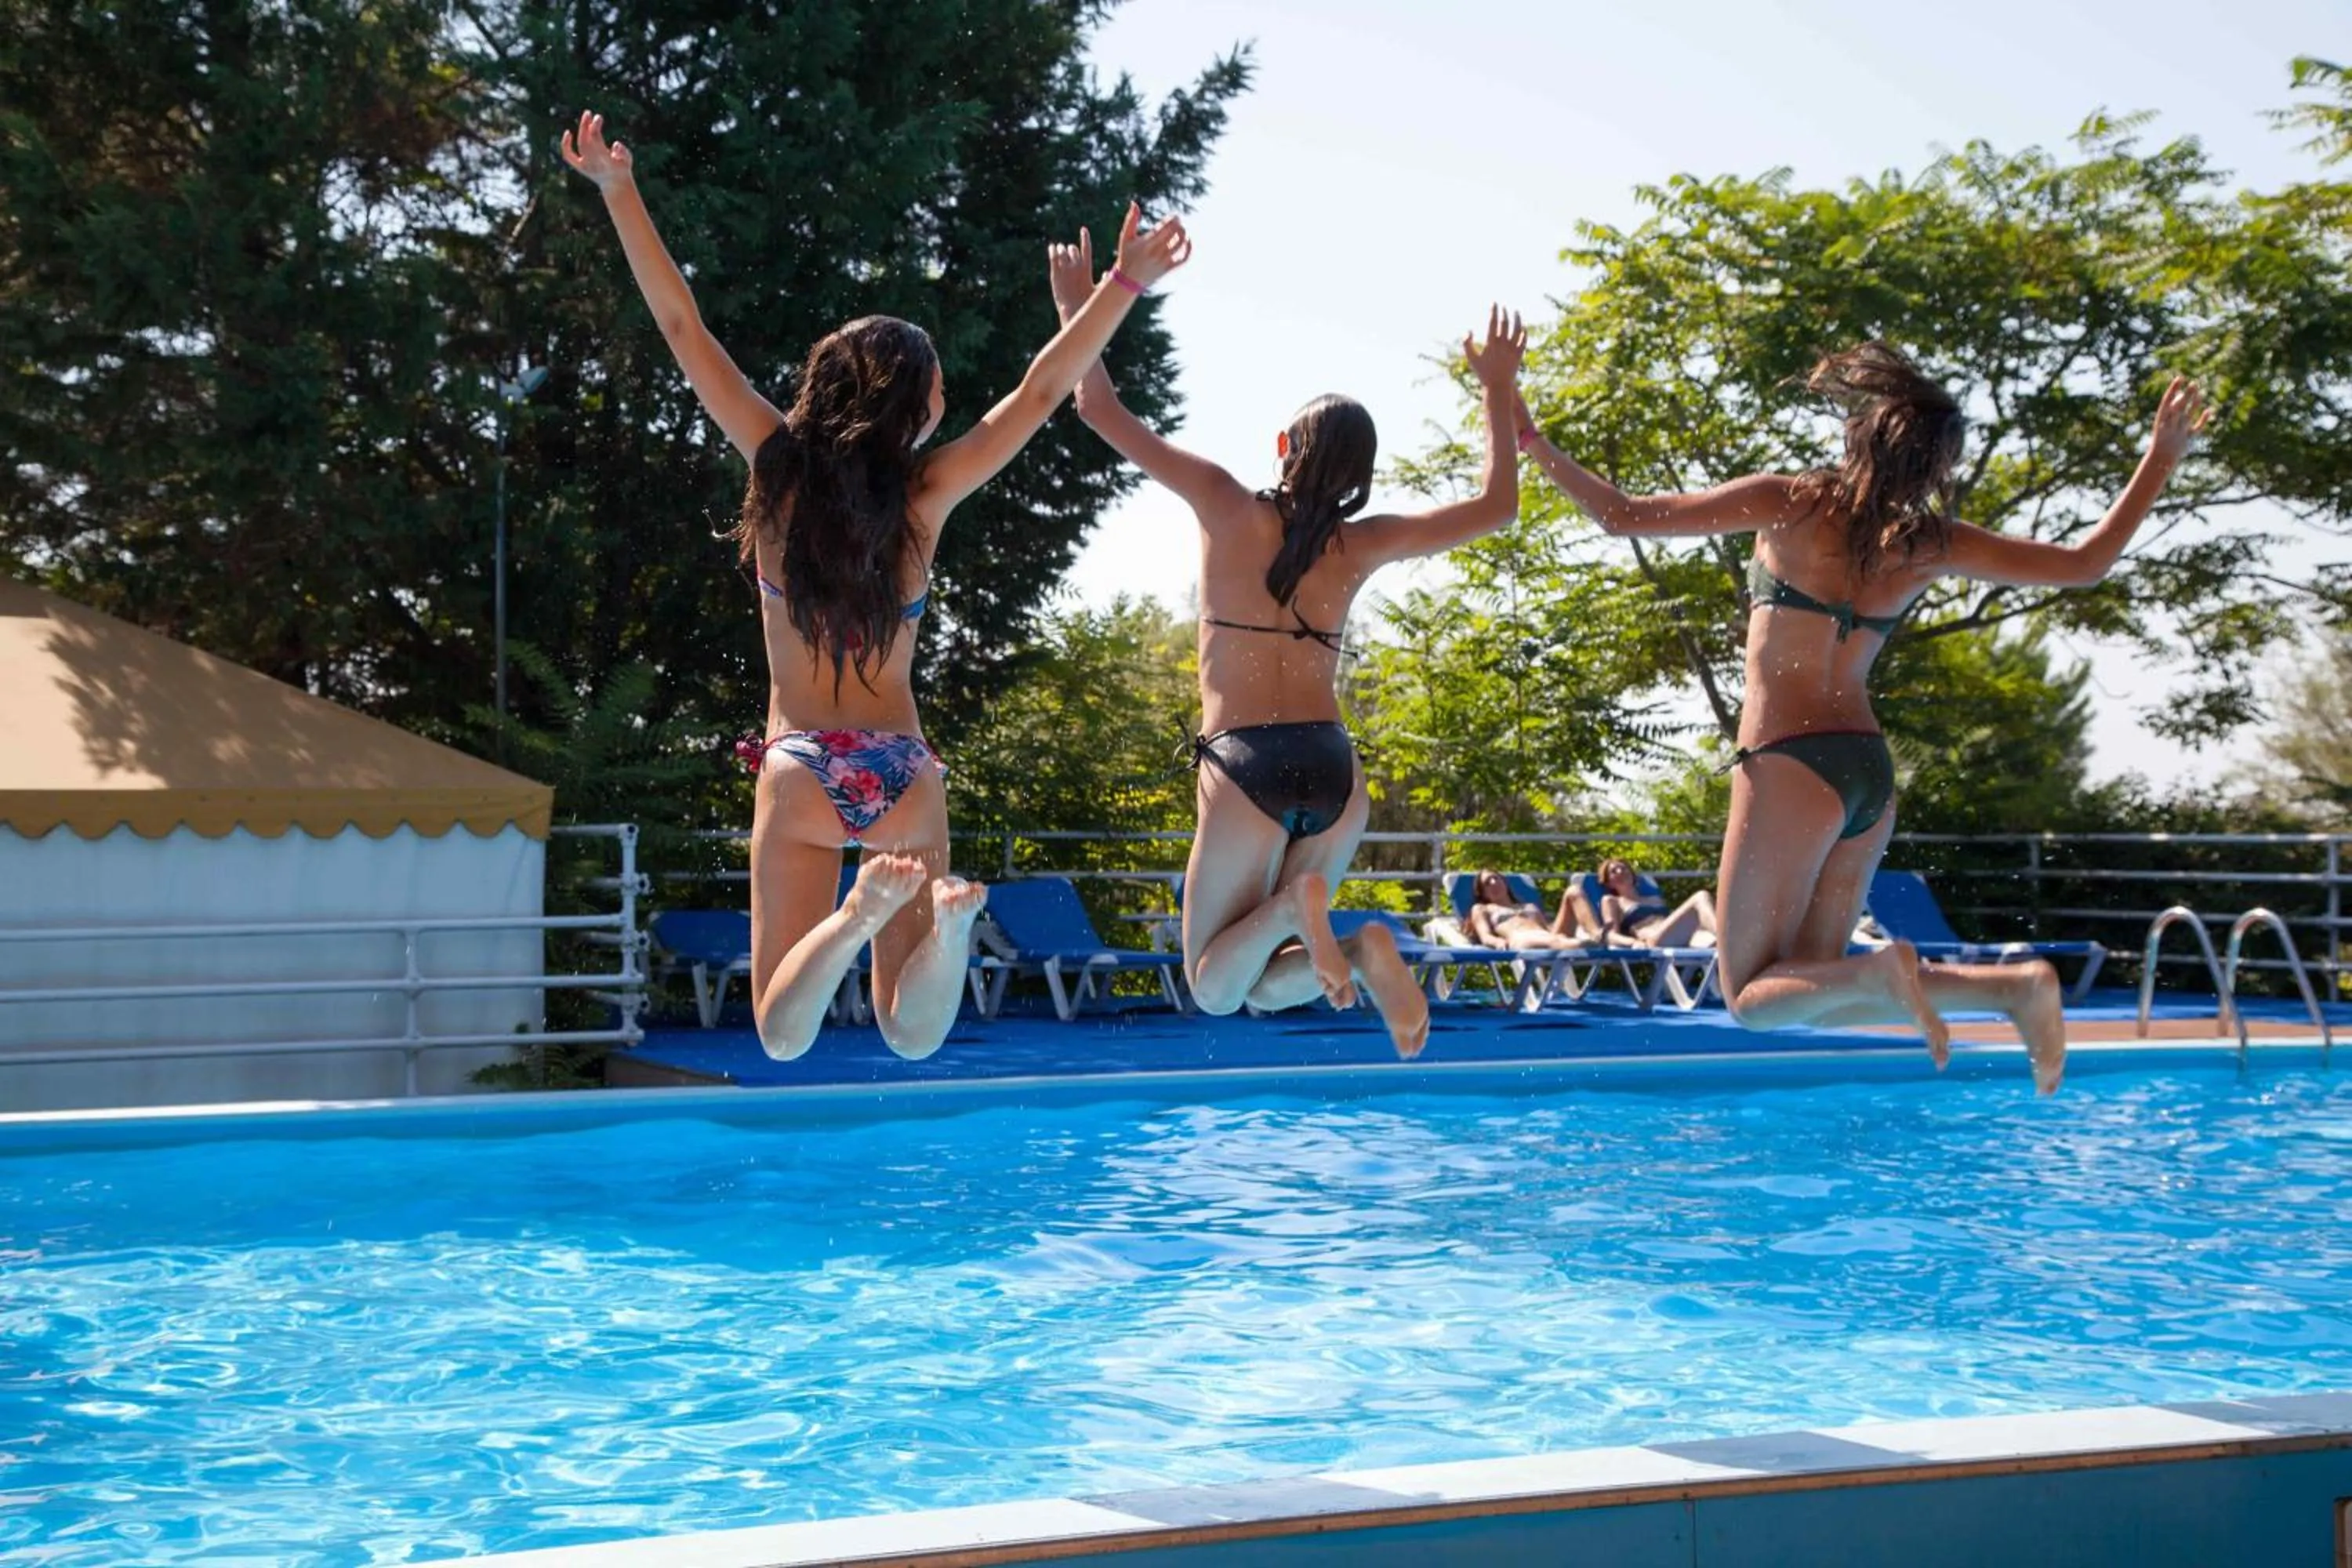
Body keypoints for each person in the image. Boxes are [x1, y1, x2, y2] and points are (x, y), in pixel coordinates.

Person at [564, 111, 1191, 1062]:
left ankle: (859, 918)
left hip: (801, 764)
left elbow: (681, 325)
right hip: (902, 772)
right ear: (917, 406)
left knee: (780, 1031)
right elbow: (1037, 390)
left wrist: (621, 191)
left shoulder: (774, 469)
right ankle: (933, 925)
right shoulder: (925, 495)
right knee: (912, 1032)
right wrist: (1125, 284)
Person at [1517, 343, 2210, 1092]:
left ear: (1865, 433)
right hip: (1866, 773)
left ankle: (1892, 972)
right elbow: (2084, 563)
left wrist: (1532, 441)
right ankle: (2012, 988)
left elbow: (1624, 515)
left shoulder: (1791, 502)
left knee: (1749, 996)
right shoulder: (1926, 545)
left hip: (1788, 760)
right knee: (1814, 988)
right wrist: (2160, 457)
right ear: (1931, 467)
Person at [1048, 233, 1525, 1058]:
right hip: (1334, 765)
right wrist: (1498, 389)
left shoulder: (1225, 504)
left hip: (1247, 761)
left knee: (1208, 981)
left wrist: (1079, 306)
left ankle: (1297, 910)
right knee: (1264, 991)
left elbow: (1097, 408)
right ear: (1360, 475)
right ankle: (1368, 947)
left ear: (1283, 447)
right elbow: (1496, 508)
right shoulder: (1364, 543)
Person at [1594, 858, 1717, 948]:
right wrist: (1633, 943)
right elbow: (1611, 935)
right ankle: (1724, 935)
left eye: (1624, 868)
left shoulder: (1654, 898)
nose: (1620, 871)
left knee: (1714, 943)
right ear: (1608, 883)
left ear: (1632, 873)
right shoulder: (1612, 901)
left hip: (1679, 936)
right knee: (1701, 897)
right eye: (1614, 871)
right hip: (1654, 939)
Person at [1466, 870, 1600, 950]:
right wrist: (1498, 943)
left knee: (1573, 891)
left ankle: (1597, 935)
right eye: (1488, 883)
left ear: (1505, 882)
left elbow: (1546, 929)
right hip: (1521, 938)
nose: (1494, 883)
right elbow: (1485, 936)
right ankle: (1583, 946)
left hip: (1548, 935)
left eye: (1496, 878)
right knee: (1555, 941)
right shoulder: (1483, 909)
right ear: (1483, 893)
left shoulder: (1528, 906)